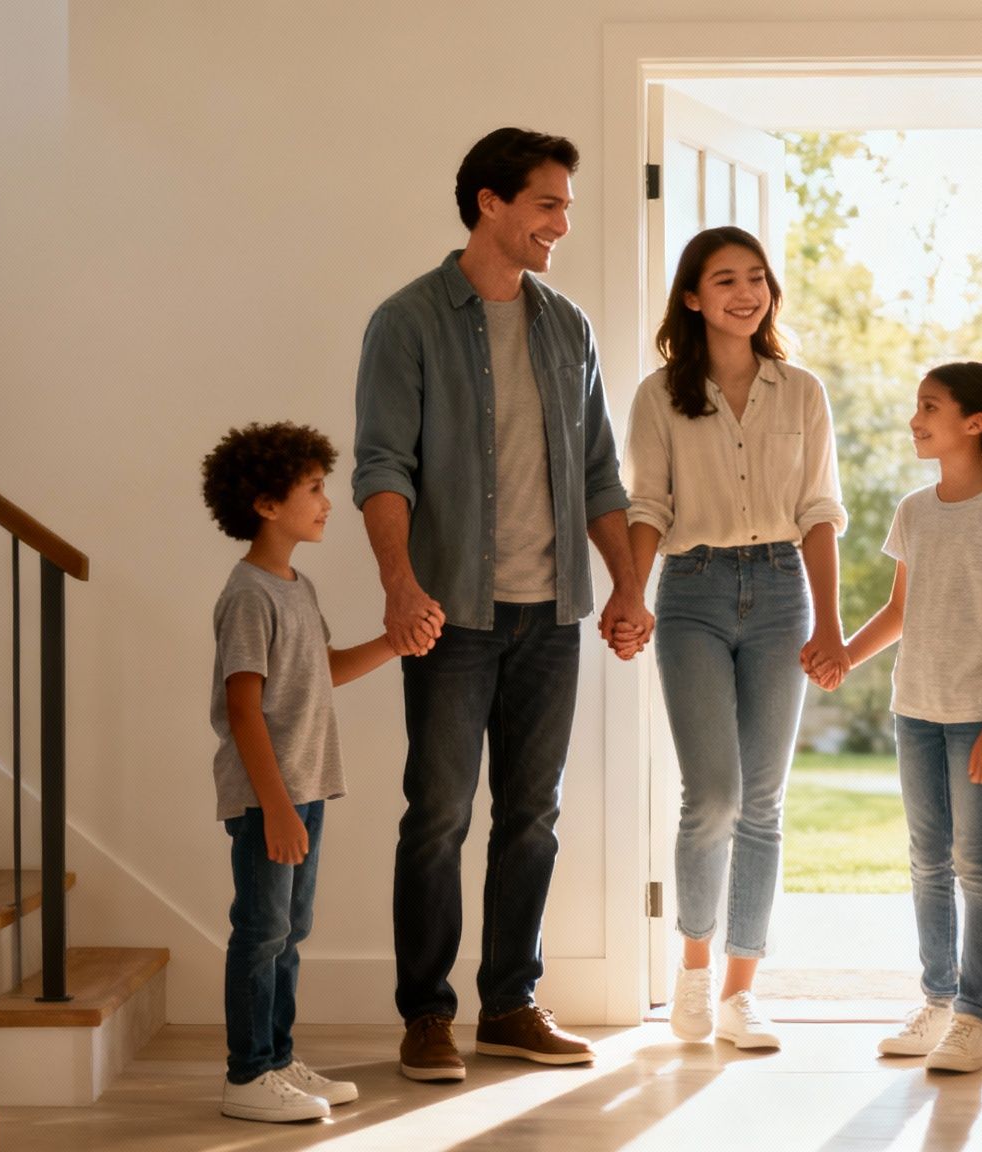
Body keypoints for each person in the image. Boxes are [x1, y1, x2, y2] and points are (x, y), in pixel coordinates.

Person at [353, 127, 652, 1082]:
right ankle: (427, 1017)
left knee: (534, 814)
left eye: (564, 205)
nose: (563, 223)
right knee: (437, 814)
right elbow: (381, 465)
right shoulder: (408, 321)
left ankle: (509, 1005)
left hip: (551, 614)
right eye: (548, 204)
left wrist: (627, 586)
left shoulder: (567, 326)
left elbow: (602, 476)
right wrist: (400, 585)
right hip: (451, 615)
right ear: (490, 202)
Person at [623, 227, 847, 1052]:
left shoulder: (803, 392)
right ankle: (691, 971)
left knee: (762, 803)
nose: (745, 292)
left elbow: (821, 512)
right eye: (725, 280)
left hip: (783, 590)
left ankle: (740, 991)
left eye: (756, 278)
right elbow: (647, 505)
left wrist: (829, 624)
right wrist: (630, 595)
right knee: (711, 795)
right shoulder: (660, 395)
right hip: (692, 592)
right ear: (693, 296)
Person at [840, 361, 982, 1073]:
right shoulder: (913, 511)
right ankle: (936, 1002)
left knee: (974, 864)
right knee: (927, 861)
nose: (915, 419)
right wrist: (844, 655)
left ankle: (973, 1020)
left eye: (929, 407)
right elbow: (900, 611)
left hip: (975, 715)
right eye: (916, 406)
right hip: (915, 710)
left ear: (974, 423)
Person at [202, 421, 404, 1122]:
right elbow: (244, 708)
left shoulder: (295, 586)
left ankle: (279, 1058)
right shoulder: (249, 594)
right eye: (314, 489)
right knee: (260, 932)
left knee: (289, 931)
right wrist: (278, 807)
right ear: (265, 503)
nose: (326, 502)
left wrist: (393, 643)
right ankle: (246, 1074)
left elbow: (322, 672)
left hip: (305, 787)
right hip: (272, 796)